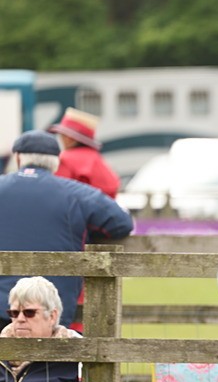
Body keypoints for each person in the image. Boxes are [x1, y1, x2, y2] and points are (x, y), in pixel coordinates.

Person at [0, 131, 132, 331]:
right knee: (50, 362)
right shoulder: (77, 193)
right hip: (51, 308)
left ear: (18, 158)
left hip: (3, 304)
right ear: (55, 162)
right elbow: (121, 223)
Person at [49, 108, 120, 199]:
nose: (61, 139)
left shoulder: (65, 159)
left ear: (71, 138)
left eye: (63, 135)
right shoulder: (97, 158)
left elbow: (58, 192)